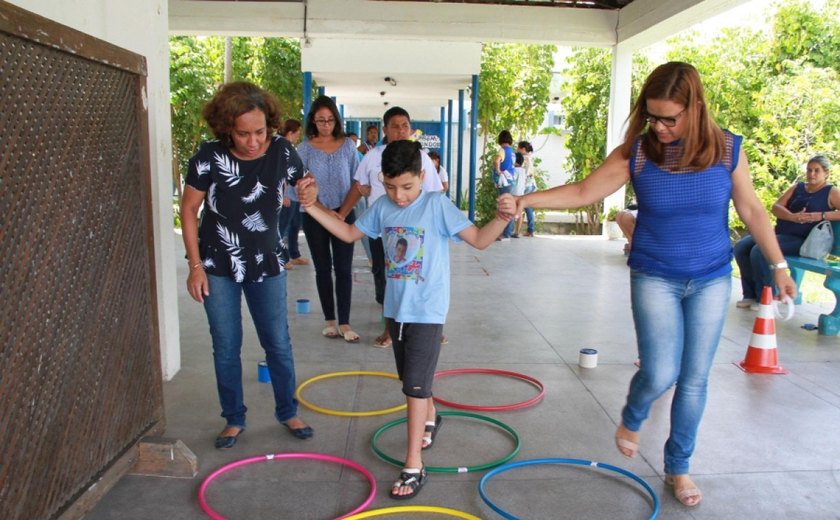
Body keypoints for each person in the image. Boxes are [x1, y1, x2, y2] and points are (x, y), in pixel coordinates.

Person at [514, 62, 797, 508]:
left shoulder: (727, 149)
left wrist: (778, 265)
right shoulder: (639, 153)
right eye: (652, 117)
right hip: (655, 277)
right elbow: (586, 190)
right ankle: (633, 416)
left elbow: (753, 210)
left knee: (694, 380)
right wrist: (526, 199)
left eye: (670, 118)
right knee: (661, 371)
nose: (660, 127)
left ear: (696, 108)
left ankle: (679, 467)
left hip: (710, 277)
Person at [297, 140, 515, 499]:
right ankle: (432, 415)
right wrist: (312, 207)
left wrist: (502, 219)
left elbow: (477, 239)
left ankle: (413, 463)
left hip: (428, 312)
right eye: (391, 186)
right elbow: (349, 233)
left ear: (422, 176)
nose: (399, 196)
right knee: (411, 379)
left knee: (413, 386)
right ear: (382, 180)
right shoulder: (382, 207)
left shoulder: (436, 205)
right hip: (395, 311)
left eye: (407, 187)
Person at [180, 81, 314, 449]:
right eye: (243, 134)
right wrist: (194, 266)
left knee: (278, 343)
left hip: (267, 262)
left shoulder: (283, 152)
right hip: (216, 263)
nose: (253, 141)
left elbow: (304, 185)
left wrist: (308, 192)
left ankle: (287, 411)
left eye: (259, 132)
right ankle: (234, 418)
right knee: (225, 344)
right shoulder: (208, 156)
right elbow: (189, 209)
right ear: (227, 129)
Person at [338, 106, 444, 348]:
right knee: (386, 276)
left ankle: (431, 327)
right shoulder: (374, 156)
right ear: (385, 129)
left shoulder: (421, 157)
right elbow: (358, 187)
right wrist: (341, 214)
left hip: (416, 232)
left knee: (422, 276)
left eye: (405, 125)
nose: (400, 130)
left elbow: (436, 193)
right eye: (395, 126)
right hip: (380, 227)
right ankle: (390, 327)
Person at [296, 96, 361, 343]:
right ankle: (330, 321)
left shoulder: (347, 146)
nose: (325, 125)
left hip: (344, 213)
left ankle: (344, 321)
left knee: (344, 269)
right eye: (320, 120)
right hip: (315, 217)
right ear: (313, 120)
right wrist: (323, 211)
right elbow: (298, 187)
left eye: (330, 120)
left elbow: (357, 181)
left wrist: (342, 213)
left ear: (337, 120)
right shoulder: (304, 149)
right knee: (323, 268)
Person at [734, 155, 837, 309]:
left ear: (826, 173)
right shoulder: (798, 188)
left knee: (760, 250)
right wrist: (792, 217)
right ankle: (750, 294)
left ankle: (766, 297)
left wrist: (821, 215)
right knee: (742, 247)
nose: (812, 174)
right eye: (809, 170)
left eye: (817, 171)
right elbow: (776, 207)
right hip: (781, 234)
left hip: (803, 240)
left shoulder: (831, 191)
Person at [278, 119, 309, 269]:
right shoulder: (280, 148)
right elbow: (280, 175)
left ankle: (294, 254)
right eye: (297, 133)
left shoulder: (289, 148)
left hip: (294, 195)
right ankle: (281, 258)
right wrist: (283, 196)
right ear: (290, 133)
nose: (298, 136)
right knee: (281, 228)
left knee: (295, 225)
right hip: (287, 196)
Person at [493, 130, 516, 240]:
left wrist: (498, 171)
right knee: (508, 206)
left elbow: (497, 161)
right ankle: (507, 232)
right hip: (510, 181)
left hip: (504, 181)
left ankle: (505, 234)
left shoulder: (502, 150)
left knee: (504, 207)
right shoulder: (512, 152)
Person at [514, 141, 537, 238]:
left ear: (523, 149)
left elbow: (524, 174)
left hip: (526, 186)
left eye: (518, 148)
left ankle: (520, 231)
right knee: (528, 208)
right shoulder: (529, 157)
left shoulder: (525, 159)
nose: (517, 149)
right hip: (531, 185)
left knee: (522, 206)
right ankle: (530, 230)